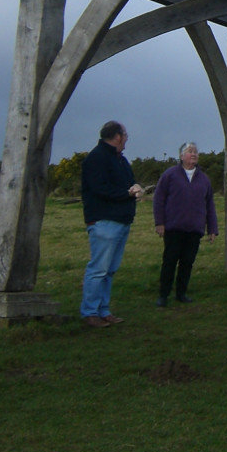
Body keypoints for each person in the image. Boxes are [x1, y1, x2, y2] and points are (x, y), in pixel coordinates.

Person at [80, 121, 144, 328]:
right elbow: (100, 189)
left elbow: (125, 184)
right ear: (117, 136)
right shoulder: (97, 158)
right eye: (125, 135)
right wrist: (127, 193)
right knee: (98, 269)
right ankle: (90, 312)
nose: (126, 139)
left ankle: (103, 310)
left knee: (109, 270)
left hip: (121, 221)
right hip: (104, 221)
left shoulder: (121, 160)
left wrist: (134, 188)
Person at [153, 142, 218, 307]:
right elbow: (159, 199)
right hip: (174, 228)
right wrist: (159, 222)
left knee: (187, 263)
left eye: (196, 151)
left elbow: (209, 205)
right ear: (182, 156)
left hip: (194, 229)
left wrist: (212, 229)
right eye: (190, 151)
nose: (194, 154)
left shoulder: (204, 179)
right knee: (169, 261)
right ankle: (163, 295)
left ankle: (181, 293)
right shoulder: (170, 175)